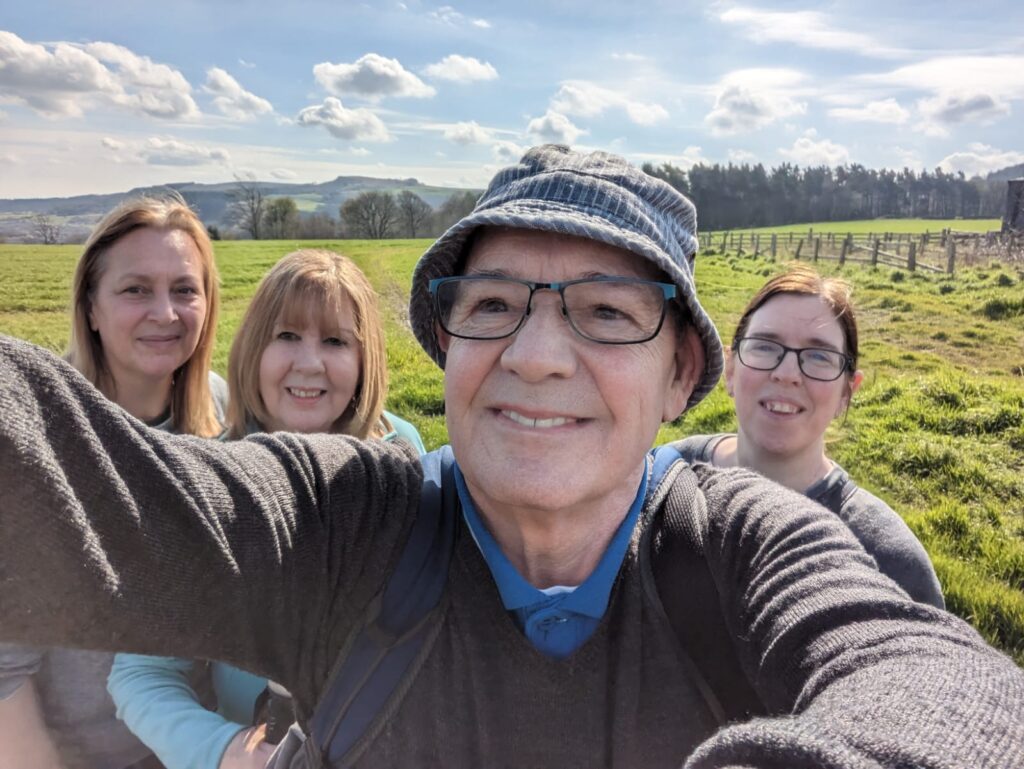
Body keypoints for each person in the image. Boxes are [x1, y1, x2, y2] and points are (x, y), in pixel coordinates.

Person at [0, 145, 1022, 769]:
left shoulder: (741, 541)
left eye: (606, 312)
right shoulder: (349, 525)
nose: (534, 356)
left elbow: (950, 689)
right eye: (491, 307)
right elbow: (76, 493)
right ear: (445, 352)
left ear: (679, 378)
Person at [107, 249, 425, 769]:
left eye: (336, 341)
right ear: (254, 348)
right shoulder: (205, 484)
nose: (309, 362)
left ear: (365, 362)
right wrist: (226, 753)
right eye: (287, 336)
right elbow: (142, 675)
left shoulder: (401, 453)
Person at [0, 194, 226, 769]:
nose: (166, 313)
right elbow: (4, 678)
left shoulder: (223, 412)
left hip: (201, 741)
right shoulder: (35, 444)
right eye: (135, 290)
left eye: (184, 289)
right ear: (91, 307)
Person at [670, 266, 944, 608]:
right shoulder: (666, 476)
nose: (786, 374)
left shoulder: (888, 560)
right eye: (765, 347)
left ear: (848, 391)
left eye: (818, 356)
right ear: (731, 369)